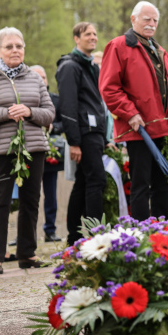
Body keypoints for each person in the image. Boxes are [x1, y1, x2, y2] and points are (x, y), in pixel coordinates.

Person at [0, 27, 55, 275]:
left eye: (19, 46)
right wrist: (7, 112)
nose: (15, 50)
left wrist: (30, 112)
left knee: (31, 200)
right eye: (9, 46)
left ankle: (27, 254)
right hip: (1, 150)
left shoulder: (34, 77)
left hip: (34, 148)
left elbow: (49, 113)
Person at [100, 1, 168, 220]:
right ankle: (142, 232)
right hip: (138, 128)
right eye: (146, 19)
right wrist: (130, 113)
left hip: (162, 127)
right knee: (141, 183)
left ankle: (165, 230)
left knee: (161, 183)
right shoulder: (119, 46)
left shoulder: (160, 50)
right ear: (133, 19)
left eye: (155, 20)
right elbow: (109, 87)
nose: (151, 24)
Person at [56, 22, 109, 246]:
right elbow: (67, 106)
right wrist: (74, 141)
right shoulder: (70, 67)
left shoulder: (92, 67)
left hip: (95, 133)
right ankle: (97, 236)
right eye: (88, 34)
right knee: (96, 180)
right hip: (83, 134)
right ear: (76, 38)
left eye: (95, 34)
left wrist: (106, 137)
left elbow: (98, 104)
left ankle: (74, 237)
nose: (93, 37)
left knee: (83, 182)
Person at [29, 65, 64, 242]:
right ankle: (26, 233)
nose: (41, 80)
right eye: (37, 77)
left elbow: (64, 124)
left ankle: (50, 230)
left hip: (51, 155)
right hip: (28, 154)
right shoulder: (23, 99)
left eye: (43, 77)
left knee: (50, 194)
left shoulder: (56, 100)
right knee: (27, 195)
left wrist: (52, 127)